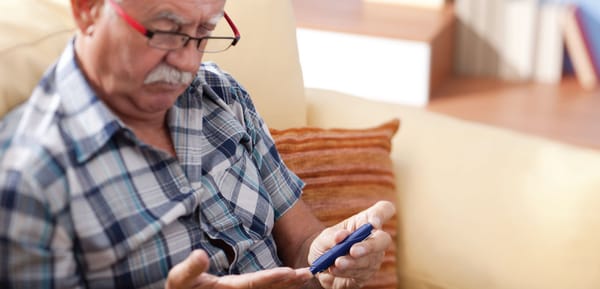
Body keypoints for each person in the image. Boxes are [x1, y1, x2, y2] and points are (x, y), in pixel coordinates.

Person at [0, 0, 396, 288]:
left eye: (204, 33)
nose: (188, 63)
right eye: (168, 31)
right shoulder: (28, 180)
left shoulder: (221, 93)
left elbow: (302, 241)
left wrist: (331, 253)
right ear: (87, 10)